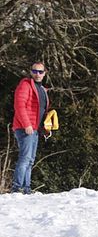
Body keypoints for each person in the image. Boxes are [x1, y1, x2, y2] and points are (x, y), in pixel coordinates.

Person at [10, 62, 50, 194]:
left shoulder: (42, 89)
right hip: (25, 128)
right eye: (35, 71)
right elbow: (19, 106)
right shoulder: (25, 85)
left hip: (35, 129)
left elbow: (41, 110)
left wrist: (45, 126)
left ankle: (26, 188)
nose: (37, 74)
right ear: (31, 72)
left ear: (44, 73)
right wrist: (27, 124)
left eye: (40, 72)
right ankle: (17, 187)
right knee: (25, 158)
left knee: (30, 160)